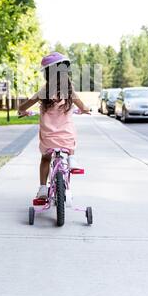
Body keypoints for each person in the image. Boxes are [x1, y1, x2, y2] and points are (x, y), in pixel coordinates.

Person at [18, 52, 91, 200]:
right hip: (66, 137)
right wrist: (85, 109)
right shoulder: (69, 92)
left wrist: (22, 111)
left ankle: (43, 188)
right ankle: (71, 158)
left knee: (45, 159)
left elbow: (23, 106)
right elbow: (83, 107)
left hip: (48, 137)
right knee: (70, 137)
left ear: (47, 74)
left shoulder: (43, 92)